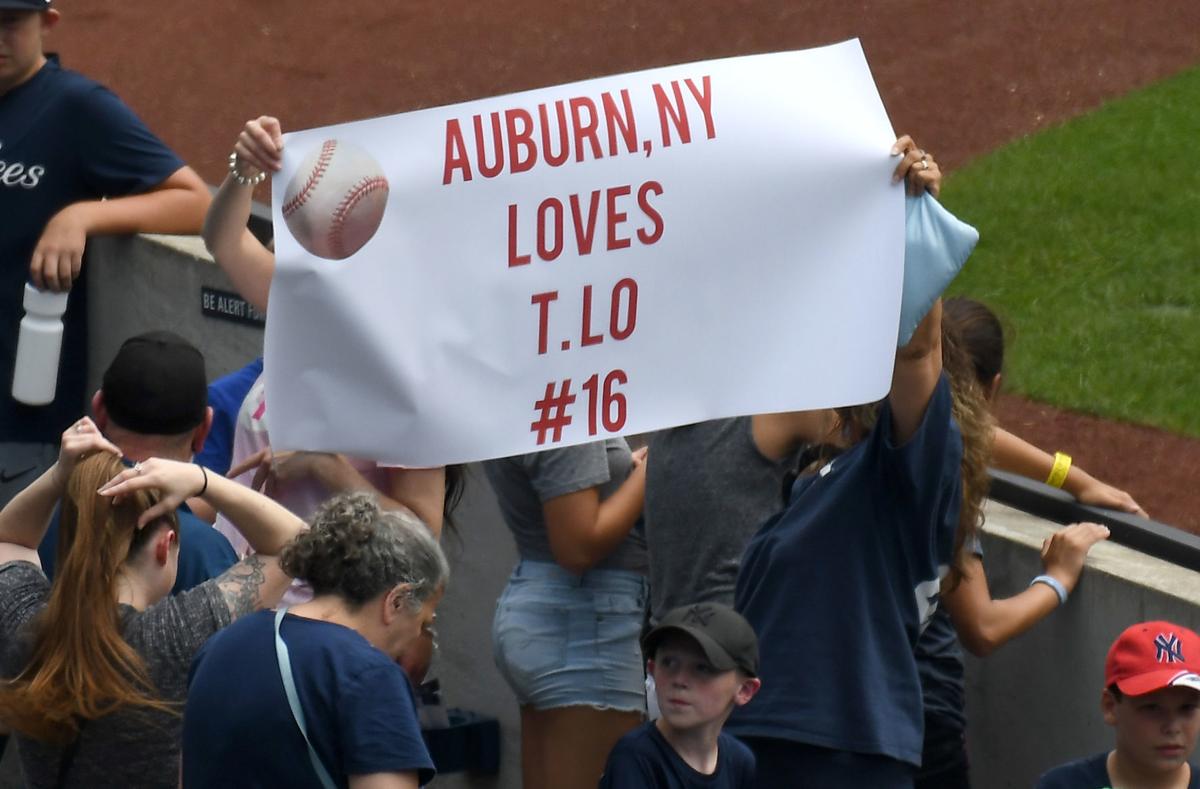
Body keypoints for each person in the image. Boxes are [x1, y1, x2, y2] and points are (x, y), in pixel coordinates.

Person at [0, 417, 305, 788]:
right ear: (166, 545)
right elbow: (295, 545)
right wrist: (203, 481)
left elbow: (10, 540)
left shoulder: (30, 625)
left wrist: (60, 474)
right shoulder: (173, 637)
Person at [915, 297, 1144, 789]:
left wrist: (1069, 476)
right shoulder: (940, 478)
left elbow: (958, 420)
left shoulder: (871, 430)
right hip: (918, 723)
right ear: (992, 388)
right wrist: (1057, 579)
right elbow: (983, 627)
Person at [0, 0, 210, 508]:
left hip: (19, 429)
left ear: (47, 23)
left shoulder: (74, 108)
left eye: (9, 23)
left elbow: (196, 201)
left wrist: (81, 216)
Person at [183, 492, 445, 788]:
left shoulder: (222, 644)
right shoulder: (370, 676)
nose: (415, 637)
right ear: (396, 601)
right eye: (423, 622)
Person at [484, 437, 649, 789]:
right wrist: (651, 472)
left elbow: (555, 486)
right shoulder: (567, 399)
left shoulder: (524, 394)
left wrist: (621, 477)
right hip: (585, 618)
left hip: (550, 609)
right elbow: (577, 547)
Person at [36, 331, 239, 593]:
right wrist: (209, 485)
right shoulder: (207, 552)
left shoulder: (37, 518)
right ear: (203, 430)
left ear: (99, 410)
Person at [599, 602, 761, 788]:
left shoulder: (739, 760)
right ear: (652, 670)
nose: (679, 680)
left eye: (702, 668)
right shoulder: (635, 756)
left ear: (744, 690)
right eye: (668, 662)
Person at [1035, 621, 1200, 788]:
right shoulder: (1063, 785)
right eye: (1152, 708)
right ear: (1110, 707)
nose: (1172, 727)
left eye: (1187, 708)